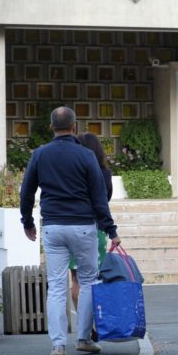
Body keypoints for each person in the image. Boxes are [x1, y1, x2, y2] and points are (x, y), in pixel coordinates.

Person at [19, 106, 121, 355]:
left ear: (51, 127)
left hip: (53, 226)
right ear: (74, 127)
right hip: (83, 227)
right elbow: (99, 198)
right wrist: (111, 229)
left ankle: (58, 344)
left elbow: (27, 191)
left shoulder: (40, 155)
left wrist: (27, 222)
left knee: (56, 286)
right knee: (87, 282)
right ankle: (84, 339)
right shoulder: (86, 156)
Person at [69, 132, 113, 311]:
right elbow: (106, 198)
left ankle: (83, 324)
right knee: (96, 278)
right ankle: (97, 320)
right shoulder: (104, 172)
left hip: (72, 226)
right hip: (97, 227)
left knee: (76, 279)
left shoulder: (72, 172)